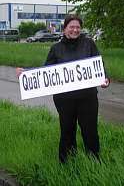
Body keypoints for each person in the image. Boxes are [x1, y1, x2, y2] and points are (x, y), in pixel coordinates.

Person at [16, 14, 110, 163]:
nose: (75, 30)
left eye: (78, 27)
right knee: (67, 132)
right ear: (65, 28)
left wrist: (105, 78)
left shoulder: (89, 44)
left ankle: (94, 162)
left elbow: (99, 65)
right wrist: (25, 74)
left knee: (90, 131)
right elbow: (46, 72)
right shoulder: (56, 48)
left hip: (87, 97)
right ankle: (67, 164)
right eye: (71, 27)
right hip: (65, 100)